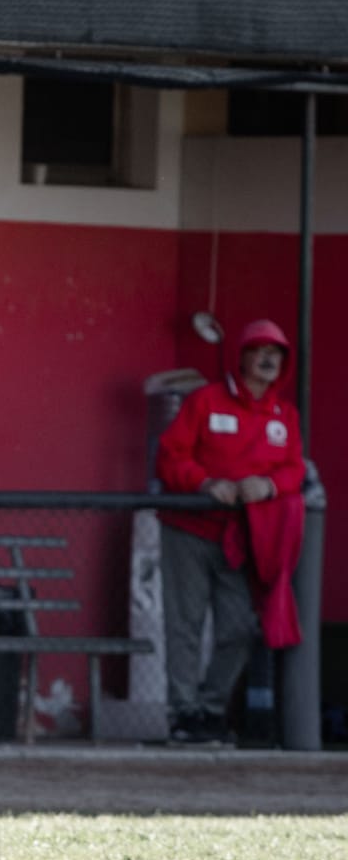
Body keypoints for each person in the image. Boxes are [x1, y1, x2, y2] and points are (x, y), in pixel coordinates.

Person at [155, 319, 306, 745]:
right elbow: (169, 456)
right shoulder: (206, 400)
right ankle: (184, 713)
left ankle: (211, 708)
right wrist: (204, 483)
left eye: (276, 354)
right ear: (242, 357)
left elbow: (294, 469)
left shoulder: (285, 415)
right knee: (184, 625)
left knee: (240, 626)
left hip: (244, 538)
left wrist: (269, 485)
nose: (268, 360)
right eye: (260, 351)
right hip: (188, 529)